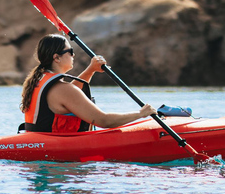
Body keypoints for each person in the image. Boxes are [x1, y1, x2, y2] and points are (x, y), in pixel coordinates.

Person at [20, 34, 155, 132]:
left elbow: (70, 96)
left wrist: (91, 70)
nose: (73, 55)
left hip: (40, 141)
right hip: (59, 151)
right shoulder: (62, 89)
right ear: (57, 58)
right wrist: (141, 113)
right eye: (70, 51)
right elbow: (104, 120)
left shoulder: (40, 80)